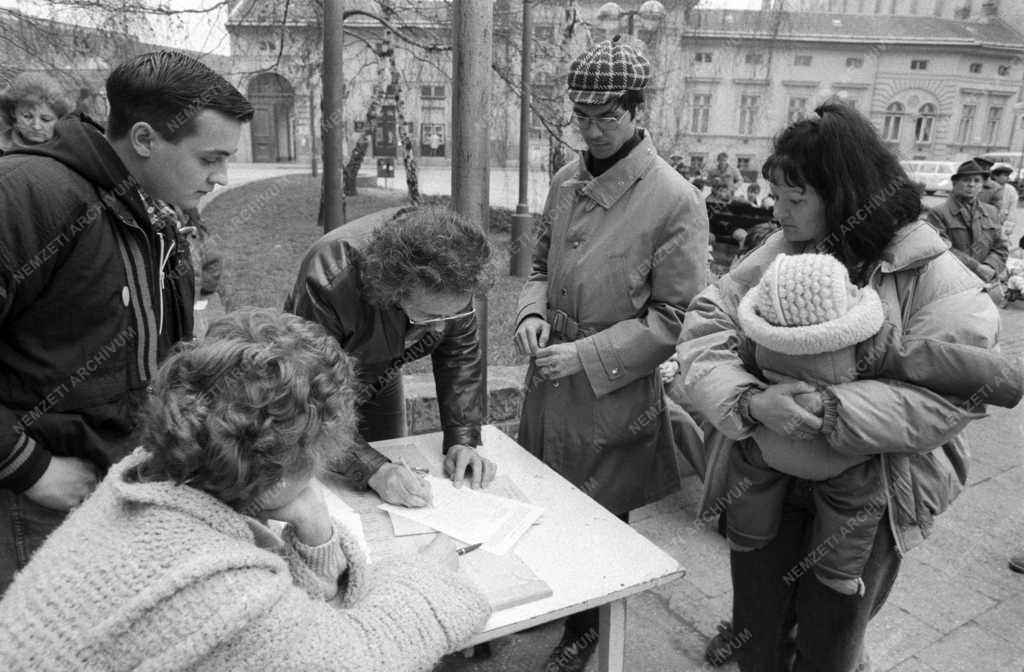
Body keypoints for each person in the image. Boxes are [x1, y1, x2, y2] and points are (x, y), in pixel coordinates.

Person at [676, 103, 1017, 671]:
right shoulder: (785, 249)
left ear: (844, 193)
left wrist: (829, 408)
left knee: (831, 644)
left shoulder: (939, 277)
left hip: (874, 493)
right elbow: (707, 322)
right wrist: (750, 399)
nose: (777, 211)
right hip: (766, 474)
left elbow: (949, 397)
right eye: (775, 196)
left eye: (794, 198)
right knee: (756, 631)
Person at [0, 308, 491, 670]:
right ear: (284, 469)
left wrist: (313, 522)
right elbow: (357, 657)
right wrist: (429, 581)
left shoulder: (148, 478)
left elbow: (290, 628)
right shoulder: (216, 585)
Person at [0, 50, 253, 593]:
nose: (223, 177)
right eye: (210, 159)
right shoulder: (25, 194)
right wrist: (28, 467)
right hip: (35, 501)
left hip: (113, 484)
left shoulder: (149, 208)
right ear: (143, 139)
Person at [514, 36, 708, 672]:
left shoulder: (676, 200)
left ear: (637, 110)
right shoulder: (566, 181)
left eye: (608, 116)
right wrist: (533, 313)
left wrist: (586, 356)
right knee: (546, 499)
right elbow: (539, 265)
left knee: (600, 516)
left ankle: (586, 629)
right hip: (551, 382)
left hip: (612, 391)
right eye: (582, 116)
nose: (592, 130)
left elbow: (678, 318)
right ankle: (555, 603)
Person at [730, 252, 1020, 596]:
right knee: (858, 497)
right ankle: (837, 571)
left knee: (749, 469)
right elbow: (929, 360)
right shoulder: (864, 340)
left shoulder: (759, 341)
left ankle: (746, 535)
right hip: (836, 455)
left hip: (772, 444)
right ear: (843, 301)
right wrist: (1006, 379)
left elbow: (738, 364)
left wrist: (751, 399)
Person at [286, 206, 497, 509]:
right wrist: (374, 469)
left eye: (453, 313)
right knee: (332, 480)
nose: (441, 326)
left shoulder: (456, 273)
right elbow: (309, 397)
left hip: (382, 369)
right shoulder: (329, 276)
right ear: (394, 290)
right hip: (317, 373)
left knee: (390, 463)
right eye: (430, 315)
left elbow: (459, 353)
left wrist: (462, 439)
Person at [926, 159, 1008, 288]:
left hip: (982, 282)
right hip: (949, 283)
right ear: (954, 183)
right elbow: (941, 250)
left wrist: (989, 266)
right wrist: (976, 267)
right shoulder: (938, 213)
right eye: (966, 180)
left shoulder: (991, 212)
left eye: (977, 181)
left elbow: (1001, 247)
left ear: (982, 186)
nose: (971, 185)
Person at [0, 72, 72, 154]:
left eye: (46, 119)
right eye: (27, 117)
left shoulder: (72, 151)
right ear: (13, 112)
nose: (36, 126)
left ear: (59, 118)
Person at [989, 162, 1020, 240]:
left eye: (1008, 176)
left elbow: (1012, 210)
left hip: (1001, 225)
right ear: (995, 176)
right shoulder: (987, 188)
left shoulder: (1011, 190)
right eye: (1005, 176)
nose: (1008, 178)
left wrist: (1009, 227)